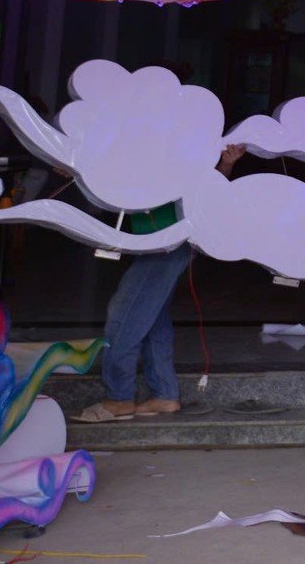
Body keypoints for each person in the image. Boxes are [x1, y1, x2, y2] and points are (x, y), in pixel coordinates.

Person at [74, 142, 244, 422]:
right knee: (153, 319)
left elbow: (208, 190)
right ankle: (164, 394)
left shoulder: (166, 142)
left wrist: (225, 164)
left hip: (170, 243)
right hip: (157, 242)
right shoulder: (146, 140)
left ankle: (119, 398)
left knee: (124, 316)